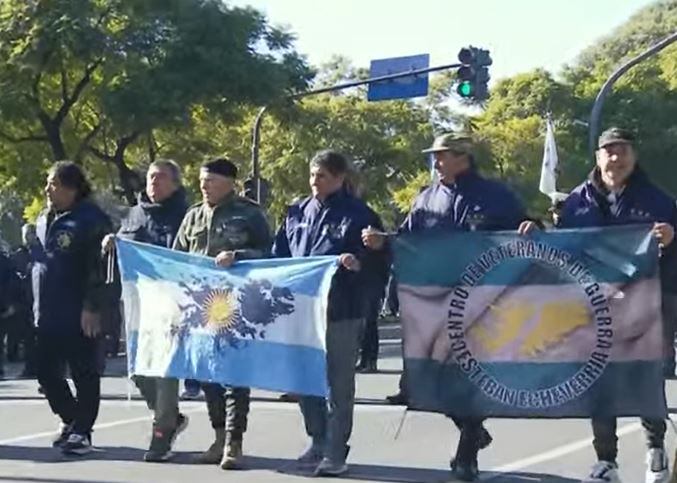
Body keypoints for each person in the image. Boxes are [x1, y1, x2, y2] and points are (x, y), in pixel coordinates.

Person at [363, 132, 528, 481]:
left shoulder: (496, 196)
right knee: (433, 379)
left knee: (471, 378)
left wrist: (533, 228)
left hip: (485, 302)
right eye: (435, 156)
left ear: (462, 156)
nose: (436, 162)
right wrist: (382, 242)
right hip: (436, 303)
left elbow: (526, 232)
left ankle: (467, 454)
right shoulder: (425, 199)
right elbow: (407, 241)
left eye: (442, 156)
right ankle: (474, 430)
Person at [520, 127, 674, 483]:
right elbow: (563, 248)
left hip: (643, 306)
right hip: (593, 307)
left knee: (644, 378)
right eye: (609, 152)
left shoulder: (658, 201)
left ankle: (655, 450)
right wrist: (539, 230)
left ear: (634, 157)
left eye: (622, 151)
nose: (615, 159)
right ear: (598, 158)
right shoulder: (576, 201)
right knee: (598, 383)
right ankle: (606, 460)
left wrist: (672, 236)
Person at [272, 150, 388, 477]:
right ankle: (318, 440)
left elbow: (379, 261)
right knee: (305, 381)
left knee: (338, 385)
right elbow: (279, 255)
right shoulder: (296, 212)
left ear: (339, 178)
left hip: (342, 310)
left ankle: (337, 451)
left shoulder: (360, 214)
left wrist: (360, 262)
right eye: (311, 175)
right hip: (301, 311)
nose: (314, 181)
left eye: (321, 175)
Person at [173, 157, 272, 470]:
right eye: (202, 181)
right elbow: (177, 256)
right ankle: (217, 436)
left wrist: (239, 257)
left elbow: (269, 254)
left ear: (229, 182)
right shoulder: (192, 216)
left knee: (233, 375)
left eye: (211, 180)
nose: (204, 186)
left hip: (235, 303)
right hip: (199, 306)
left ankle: (234, 441)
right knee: (207, 374)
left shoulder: (249, 214)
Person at [102, 159, 190, 462]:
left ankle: (162, 430)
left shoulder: (186, 214)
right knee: (139, 370)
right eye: (151, 177)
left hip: (173, 304)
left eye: (162, 178)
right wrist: (112, 241)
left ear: (176, 184)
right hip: (138, 303)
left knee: (164, 368)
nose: (155, 183)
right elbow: (125, 246)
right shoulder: (134, 214)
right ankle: (170, 416)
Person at [33, 161, 112, 455]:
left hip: (78, 310)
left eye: (53, 183)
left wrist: (92, 306)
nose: (47, 189)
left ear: (71, 187)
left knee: (83, 371)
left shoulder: (91, 220)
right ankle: (71, 418)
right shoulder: (45, 218)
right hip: (47, 310)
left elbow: (101, 267)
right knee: (45, 372)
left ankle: (83, 432)